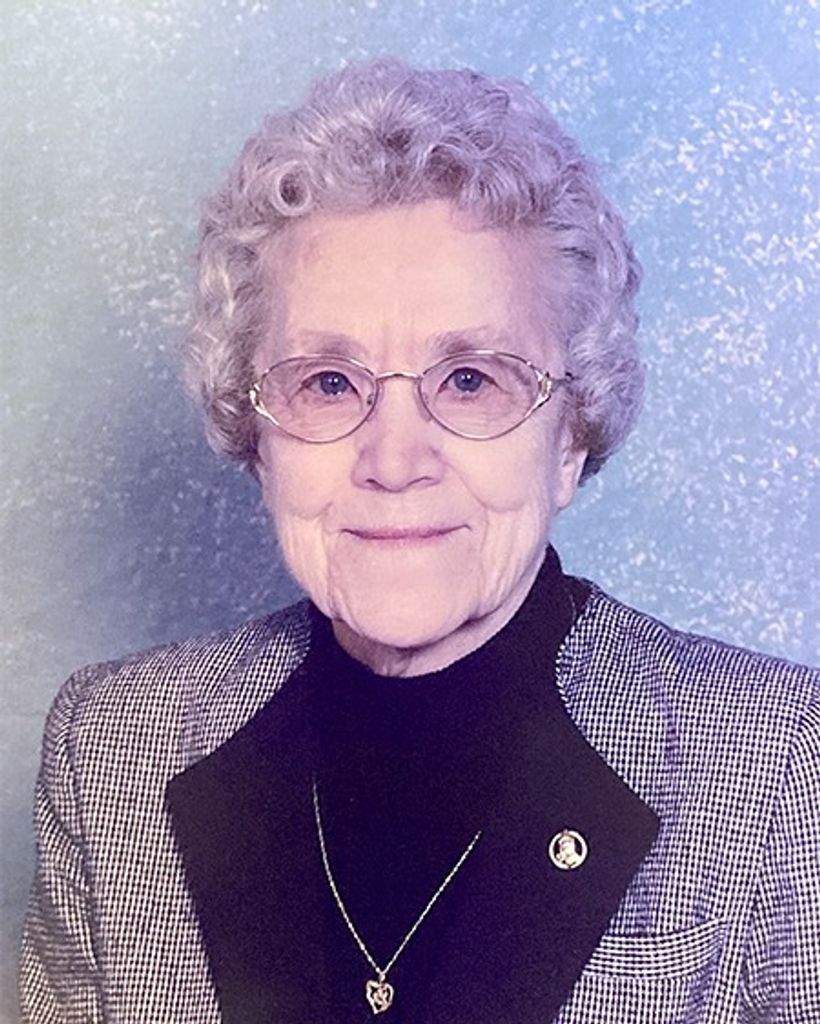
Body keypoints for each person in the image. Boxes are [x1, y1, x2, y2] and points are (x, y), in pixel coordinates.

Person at [20, 58, 819, 1024]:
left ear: (570, 438)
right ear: (256, 436)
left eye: (470, 379)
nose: (394, 461)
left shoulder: (781, 772)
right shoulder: (112, 751)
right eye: (328, 383)